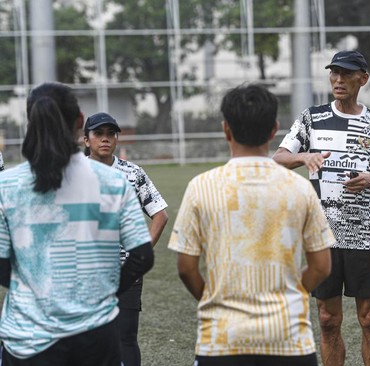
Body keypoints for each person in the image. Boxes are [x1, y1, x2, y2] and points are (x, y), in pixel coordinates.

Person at [169, 84, 333, 366]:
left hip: (221, 341)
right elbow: (321, 267)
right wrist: (289, 296)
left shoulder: (202, 187)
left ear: (226, 130)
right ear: (274, 130)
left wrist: (215, 300)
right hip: (289, 342)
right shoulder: (300, 188)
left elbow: (186, 268)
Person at [0, 82, 154, 365]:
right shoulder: (114, 181)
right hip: (95, 334)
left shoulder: (6, 185)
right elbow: (143, 255)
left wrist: (33, 284)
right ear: (80, 123)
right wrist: (110, 289)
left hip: (27, 337)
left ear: (30, 122)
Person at [273, 50, 370, 366]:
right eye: (334, 74)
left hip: (365, 236)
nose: (338, 80)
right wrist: (304, 157)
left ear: (363, 79)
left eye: (346, 74)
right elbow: (278, 158)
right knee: (328, 319)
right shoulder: (312, 118)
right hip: (323, 238)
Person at [83, 112, 169, 366]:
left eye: (111, 134)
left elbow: (160, 215)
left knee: (126, 339)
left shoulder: (133, 173)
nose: (105, 139)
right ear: (85, 140)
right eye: (98, 134)